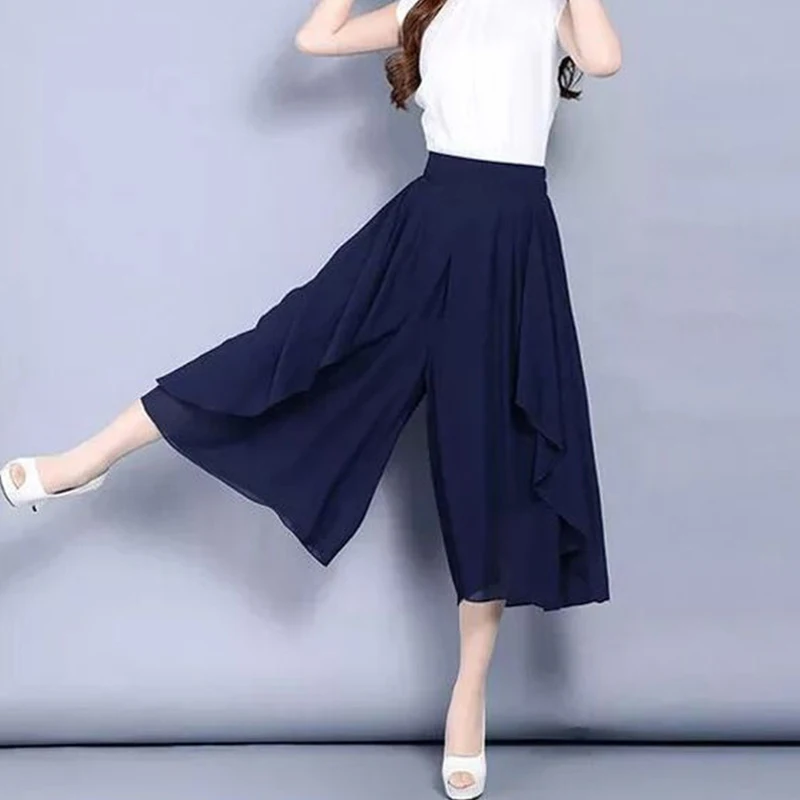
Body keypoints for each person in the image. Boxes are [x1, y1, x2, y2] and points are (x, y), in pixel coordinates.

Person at [1, 1, 621, 797]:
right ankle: (84, 461)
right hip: (424, 232)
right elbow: (316, 37)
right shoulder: (420, 8)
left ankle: (469, 695)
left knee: (489, 464)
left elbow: (601, 58)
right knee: (283, 352)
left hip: (512, 254)